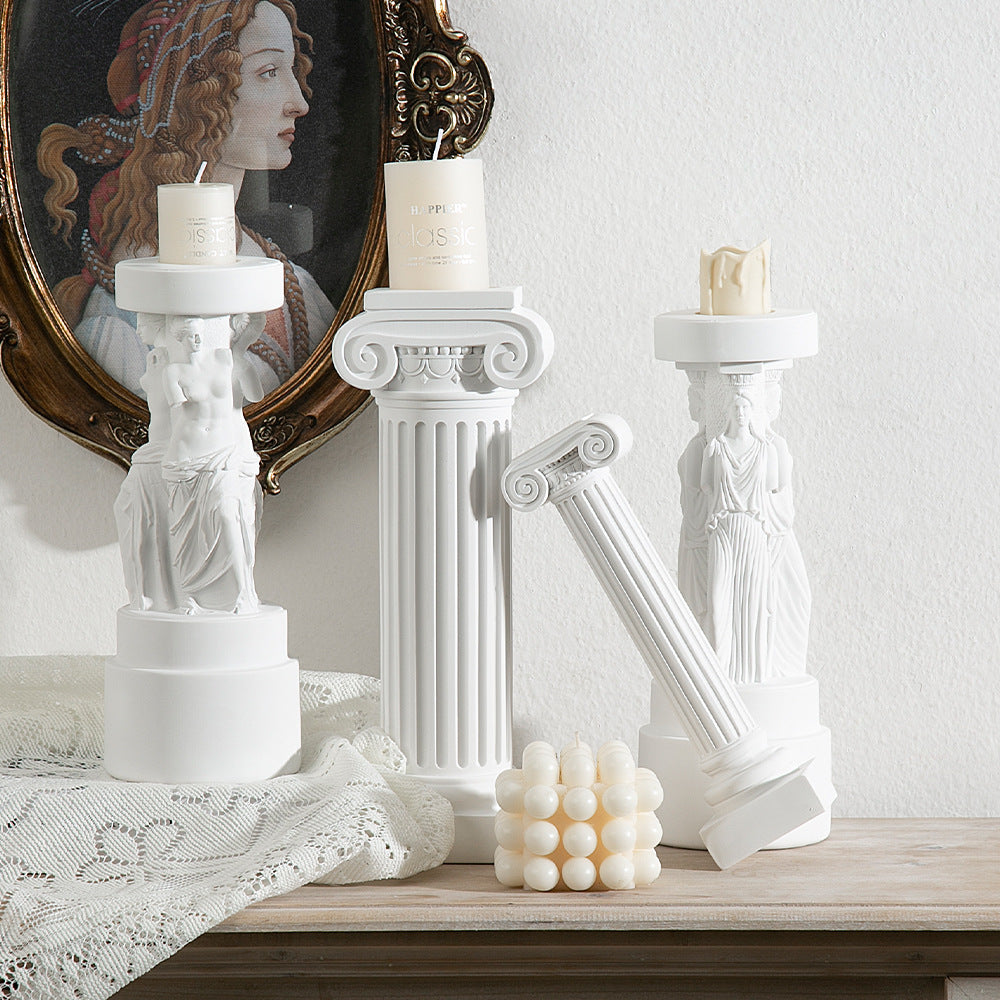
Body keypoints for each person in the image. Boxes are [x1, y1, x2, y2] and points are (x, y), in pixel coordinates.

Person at [36, 0, 334, 398]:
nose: (299, 103)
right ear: (199, 93)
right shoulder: (124, 320)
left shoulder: (292, 284)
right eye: (269, 72)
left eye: (292, 71)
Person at [161, 314, 261, 614]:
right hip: (187, 459)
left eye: (200, 333)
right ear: (180, 338)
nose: (197, 339)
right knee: (190, 536)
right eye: (191, 335)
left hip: (221, 454)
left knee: (229, 515)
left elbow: (255, 394)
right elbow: (176, 411)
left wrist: (241, 355)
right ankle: (192, 596)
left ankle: (243, 592)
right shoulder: (173, 371)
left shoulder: (224, 360)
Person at [701, 389, 778, 684]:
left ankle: (751, 673)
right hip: (723, 528)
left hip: (752, 530)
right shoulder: (715, 448)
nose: (741, 413)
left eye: (746, 407)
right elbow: (705, 486)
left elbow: (773, 486)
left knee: (752, 602)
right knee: (718, 599)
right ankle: (718, 673)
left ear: (753, 412)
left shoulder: (765, 450)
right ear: (729, 413)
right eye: (736, 408)